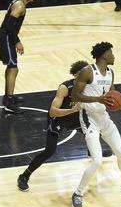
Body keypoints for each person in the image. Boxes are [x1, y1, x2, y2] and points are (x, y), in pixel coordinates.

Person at [17, 60, 113, 191]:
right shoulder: (65, 88)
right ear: (75, 75)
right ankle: (24, 176)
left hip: (76, 117)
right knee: (49, 151)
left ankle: (92, 151)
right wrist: (72, 110)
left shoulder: (90, 85)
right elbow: (52, 111)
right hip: (60, 118)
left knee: (95, 130)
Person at [71, 42, 121, 207]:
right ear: (103, 55)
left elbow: (110, 93)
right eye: (111, 53)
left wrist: (117, 102)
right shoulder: (87, 71)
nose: (113, 56)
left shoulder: (110, 72)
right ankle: (78, 193)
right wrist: (98, 99)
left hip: (104, 117)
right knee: (96, 161)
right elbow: (75, 95)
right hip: (89, 119)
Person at [0, 0, 35, 114]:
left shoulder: (19, 3)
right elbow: (9, 26)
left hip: (7, 37)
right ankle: (9, 103)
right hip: (6, 37)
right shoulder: (20, 5)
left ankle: (8, 97)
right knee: (13, 68)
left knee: (11, 67)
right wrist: (17, 42)